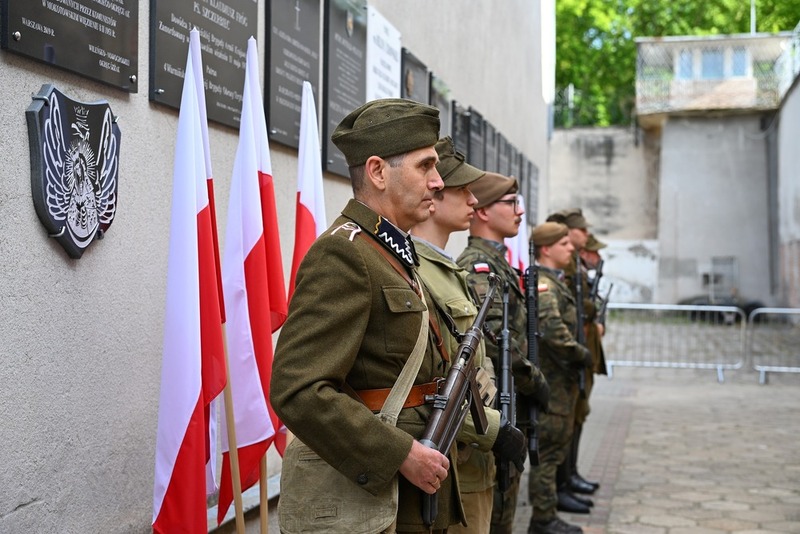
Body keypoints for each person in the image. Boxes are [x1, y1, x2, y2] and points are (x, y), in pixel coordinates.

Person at [271, 98, 458, 533]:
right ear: (377, 172)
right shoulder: (345, 253)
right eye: (425, 166)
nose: (437, 182)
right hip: (374, 491)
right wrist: (400, 455)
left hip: (409, 494)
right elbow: (299, 389)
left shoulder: (391, 251)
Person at [411, 137, 527, 533]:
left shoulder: (450, 272)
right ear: (435, 197)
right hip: (453, 458)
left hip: (473, 456)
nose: (474, 201)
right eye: (462, 190)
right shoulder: (419, 273)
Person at [457, 172, 550, 534]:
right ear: (481, 211)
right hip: (498, 405)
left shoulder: (498, 264)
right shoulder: (478, 267)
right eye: (510, 203)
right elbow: (494, 342)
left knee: (506, 506)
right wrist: (534, 380)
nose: (519, 212)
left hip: (512, 404)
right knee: (496, 516)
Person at [527, 222, 593, 534]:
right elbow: (552, 331)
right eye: (564, 243)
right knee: (549, 453)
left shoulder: (555, 281)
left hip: (561, 384)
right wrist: (581, 353)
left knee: (555, 449)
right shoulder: (544, 285)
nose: (571, 248)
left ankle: (548, 511)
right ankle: (542, 518)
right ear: (546, 248)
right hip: (551, 383)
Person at [546, 210, 603, 511]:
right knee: (564, 422)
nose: (584, 235)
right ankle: (560, 484)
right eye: (581, 230)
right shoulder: (561, 268)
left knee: (576, 416)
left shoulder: (571, 263)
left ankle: (568, 477)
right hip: (564, 356)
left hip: (577, 349)